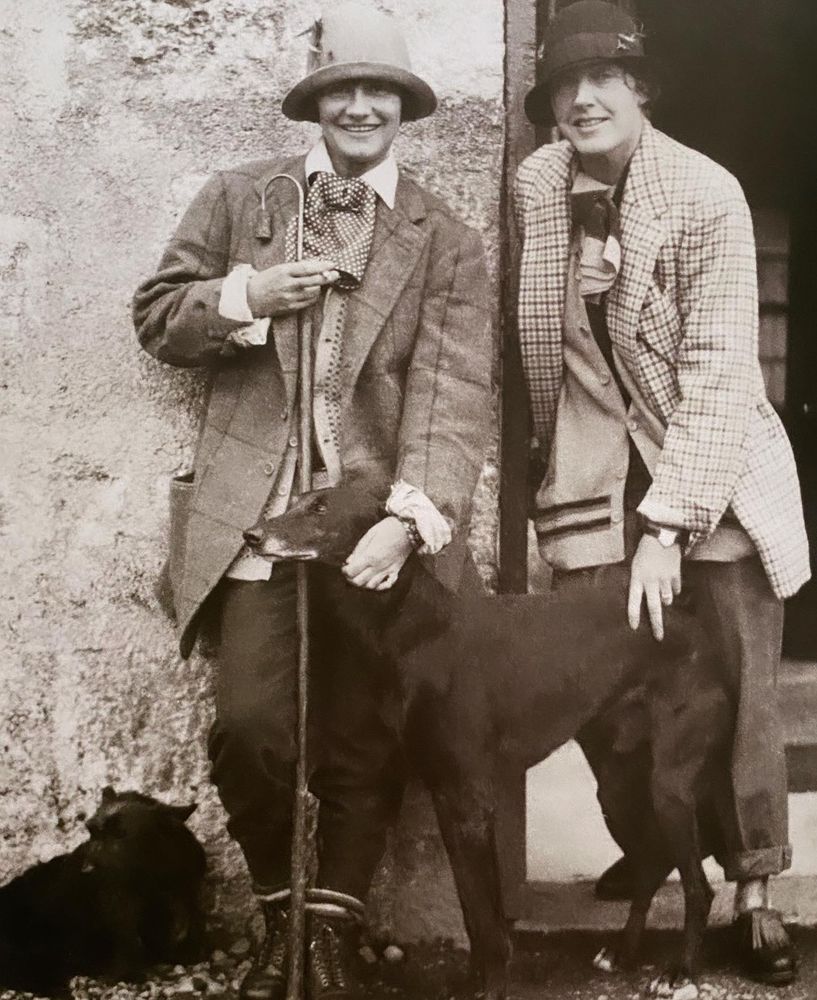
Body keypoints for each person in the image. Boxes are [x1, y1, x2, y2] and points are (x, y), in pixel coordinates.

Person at [133, 5, 492, 998]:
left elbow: (453, 393)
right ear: (315, 103)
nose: (362, 106)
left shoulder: (443, 239)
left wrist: (408, 522)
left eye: (381, 91)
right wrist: (245, 298)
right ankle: (276, 912)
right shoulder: (239, 198)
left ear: (405, 107)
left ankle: (328, 929)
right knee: (251, 729)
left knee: (362, 733)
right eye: (343, 89)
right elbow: (156, 317)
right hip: (256, 526)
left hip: (368, 530)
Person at [515, 0, 810, 986]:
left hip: (711, 470)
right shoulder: (537, 185)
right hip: (592, 473)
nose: (583, 99)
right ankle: (651, 847)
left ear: (641, 89)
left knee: (734, 693)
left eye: (604, 79)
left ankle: (756, 890)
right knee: (597, 694)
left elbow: (721, 372)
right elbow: (539, 347)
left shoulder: (705, 192)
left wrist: (669, 523)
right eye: (565, 84)